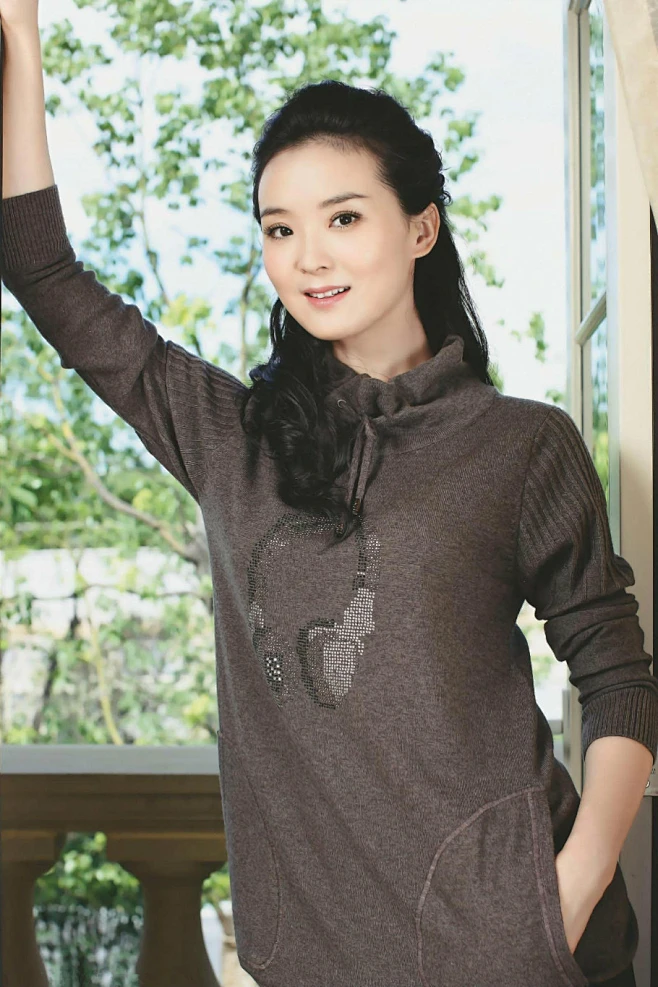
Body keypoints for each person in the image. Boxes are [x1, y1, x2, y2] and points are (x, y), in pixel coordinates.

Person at [1, 3, 655, 985]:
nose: (308, 256)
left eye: (343, 217)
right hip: (311, 962)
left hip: (517, 953)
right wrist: (20, 34)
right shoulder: (231, 438)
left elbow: (617, 678)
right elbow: (41, 269)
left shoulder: (520, 446)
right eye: (280, 229)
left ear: (421, 226)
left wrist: (566, 893)